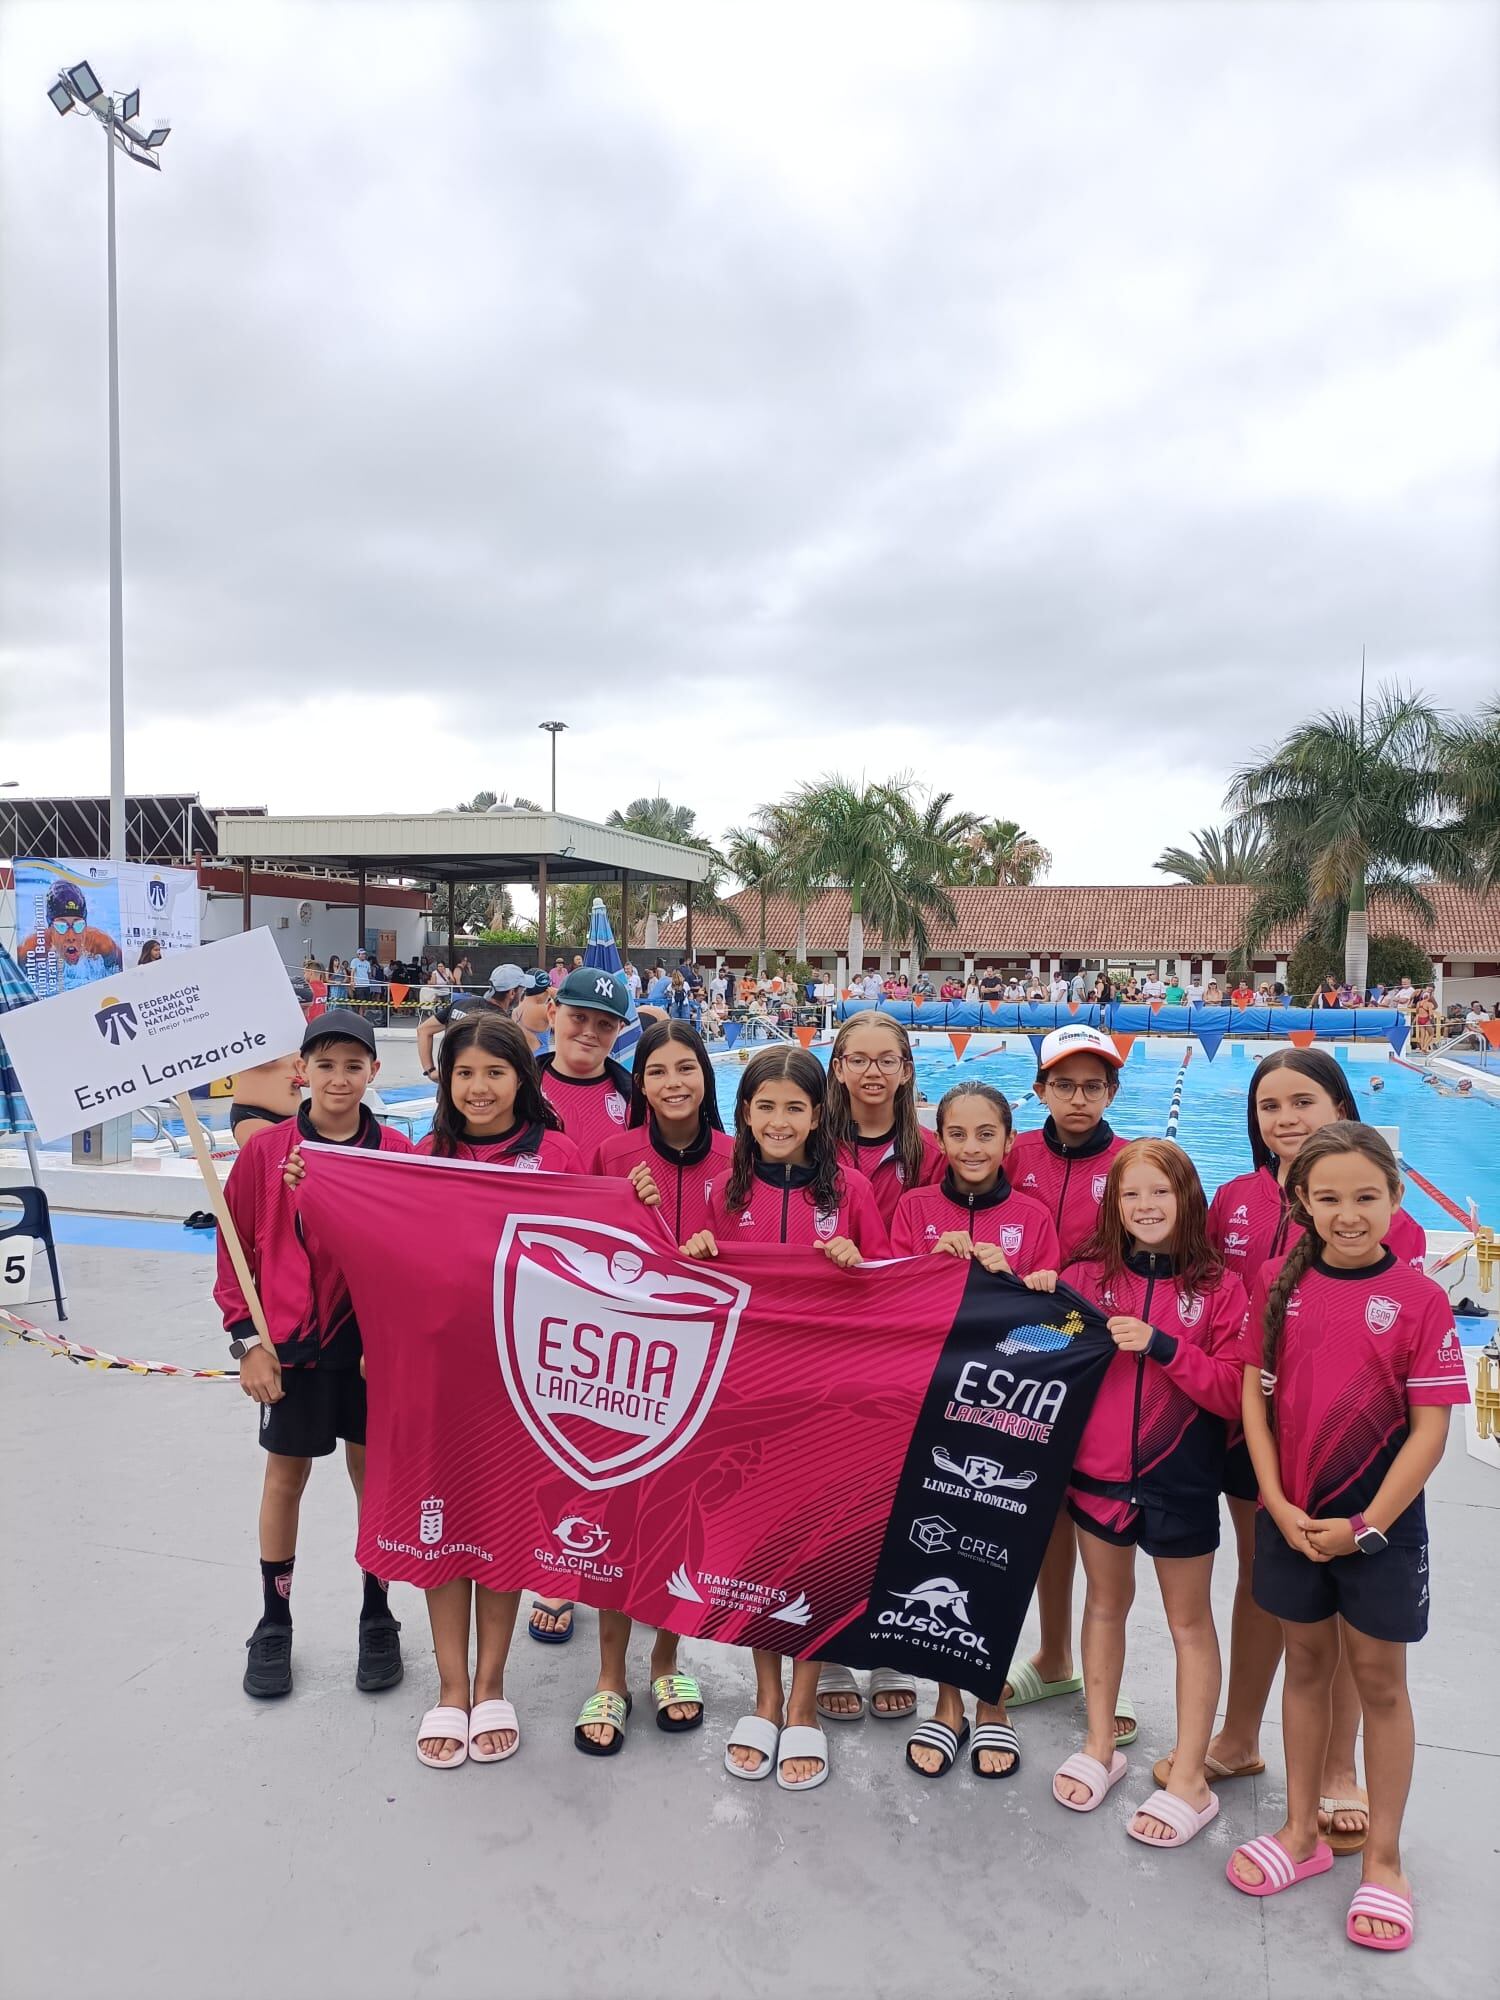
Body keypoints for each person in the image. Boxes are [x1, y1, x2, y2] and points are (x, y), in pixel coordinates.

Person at [1228, 1125, 1467, 1951]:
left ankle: (1387, 1860)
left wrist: (1366, 1526)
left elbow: (1429, 1433)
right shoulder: (1271, 1285)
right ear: (1300, 1203)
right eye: (1327, 1198)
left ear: (1396, 1201)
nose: (1348, 1214)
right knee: (1305, 1665)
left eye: (1366, 1196)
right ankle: (1300, 1833)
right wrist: (1273, 1499)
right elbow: (1252, 1401)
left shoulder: (1419, 1297)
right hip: (1291, 1512)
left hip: (1381, 1526)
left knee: (1380, 1681)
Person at [1188, 1049, 1427, 1852]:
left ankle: (1336, 1768)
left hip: (1354, 1451)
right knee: (1270, 1582)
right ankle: (1240, 1736)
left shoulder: (1393, 1219)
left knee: (1350, 1602)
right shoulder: (1237, 1200)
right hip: (1256, 1435)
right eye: (1269, 1107)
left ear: (1341, 1107)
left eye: (1303, 1103)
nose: (1285, 1120)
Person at [684, 1047, 887, 1792]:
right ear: (742, 1114)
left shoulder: (854, 1191)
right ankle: (764, 1696)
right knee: (752, 1553)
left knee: (813, 1547)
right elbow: (693, 1290)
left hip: (828, 1402)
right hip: (745, 1400)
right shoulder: (721, 1192)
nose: (778, 1121)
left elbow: (888, 1287)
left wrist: (853, 1261)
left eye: (794, 1108)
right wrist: (698, 1251)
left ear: (817, 1116)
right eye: (764, 1107)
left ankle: (804, 1701)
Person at [1049, 1141, 1245, 1843]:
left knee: (1189, 1624)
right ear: (1114, 1206)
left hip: (1181, 1481)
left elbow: (1231, 1393)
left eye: (1160, 1192)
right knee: (1104, 1605)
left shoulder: (1220, 1287)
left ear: (1188, 1197)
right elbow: (1036, 1349)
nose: (1146, 1207)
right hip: (1099, 1477)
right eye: (1131, 1195)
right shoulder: (1084, 1279)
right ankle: (1101, 1744)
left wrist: (1164, 1346)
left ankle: (1190, 1778)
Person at [397, 1016, 579, 1768]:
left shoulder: (560, 1155)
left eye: (494, 1073)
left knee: (499, 1526)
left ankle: (493, 1680)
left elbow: (596, 1255)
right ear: (445, 1082)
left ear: (522, 1080)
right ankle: (448, 1688)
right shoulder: (422, 1156)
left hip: (523, 1377)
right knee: (443, 1524)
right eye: (463, 1073)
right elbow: (388, 1255)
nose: (478, 1087)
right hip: (441, 1371)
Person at [217, 1009, 413, 1702]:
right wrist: (247, 1345)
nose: (339, 1078)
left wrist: (396, 1342)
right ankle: (273, 1623)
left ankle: (376, 1613)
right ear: (304, 1071)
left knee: (375, 1480)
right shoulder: (264, 1153)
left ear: (373, 1072)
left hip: (367, 1353)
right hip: (290, 1351)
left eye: (353, 1066)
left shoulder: (395, 1151)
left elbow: (414, 1254)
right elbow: (233, 1256)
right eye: (326, 1065)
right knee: (284, 1481)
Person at [891, 1082, 1058, 1781]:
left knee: (997, 1559)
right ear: (940, 1139)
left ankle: (993, 1700)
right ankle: (947, 1699)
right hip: (930, 1411)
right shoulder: (914, 1209)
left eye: (986, 1133)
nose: (970, 1148)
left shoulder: (1033, 1215)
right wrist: (934, 1265)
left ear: (1009, 1140)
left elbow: (1054, 1327)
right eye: (956, 1134)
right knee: (933, 1554)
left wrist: (1016, 1276)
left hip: (1004, 1418)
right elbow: (892, 1304)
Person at [573, 1021, 731, 1750]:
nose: (673, 1083)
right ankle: (610, 1674)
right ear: (640, 1083)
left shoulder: (740, 1158)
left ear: (705, 1077)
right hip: (626, 1369)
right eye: (658, 1070)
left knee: (681, 1522)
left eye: (686, 1069)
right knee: (617, 1518)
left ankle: (667, 1658)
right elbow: (586, 1257)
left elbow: (750, 1252)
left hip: (707, 1370)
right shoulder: (611, 1153)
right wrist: (623, 1206)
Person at [1002, 1025, 1134, 1741]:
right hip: (1017, 1359)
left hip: (1099, 1361)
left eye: (1092, 1086)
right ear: (1041, 1089)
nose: (1078, 1098)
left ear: (1111, 1092)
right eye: (1064, 1084)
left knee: (1103, 1519)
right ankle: (1054, 1656)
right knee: (1040, 1512)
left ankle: (1108, 1671)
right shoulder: (1011, 1152)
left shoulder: (1134, 1164)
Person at [825, 1014, 944, 1231]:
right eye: (858, 1061)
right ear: (839, 1069)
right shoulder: (815, 1146)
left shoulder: (930, 1154)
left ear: (906, 1071)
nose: (872, 1072)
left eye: (887, 1061)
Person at [417, 964, 528, 1082]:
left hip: (448, 1086)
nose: (523, 994)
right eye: (522, 990)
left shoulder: (461, 1004)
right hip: (476, 1090)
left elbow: (424, 1030)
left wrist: (430, 1071)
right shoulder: (503, 1024)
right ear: (512, 993)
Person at [229, 1054, 304, 1145]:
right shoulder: (251, 1043)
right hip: (255, 1114)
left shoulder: (293, 1042)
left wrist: (306, 1077)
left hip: (295, 1117)